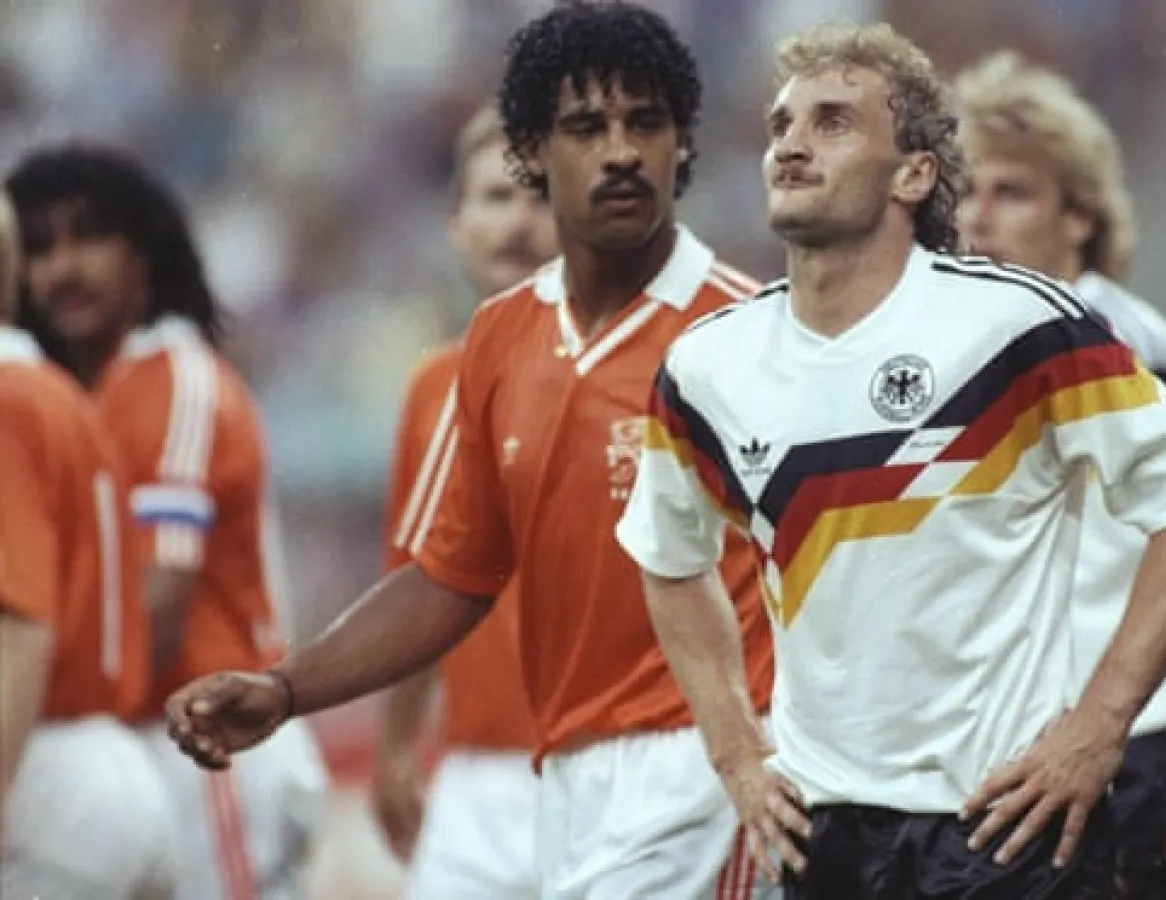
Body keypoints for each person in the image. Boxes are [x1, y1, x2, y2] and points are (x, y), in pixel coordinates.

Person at [615, 21, 1166, 899]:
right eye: (781, 125)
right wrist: (736, 754)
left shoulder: (1020, 325)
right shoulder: (706, 366)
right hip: (822, 833)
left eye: (833, 121)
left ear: (914, 173)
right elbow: (668, 557)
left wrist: (1098, 727)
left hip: (1003, 826)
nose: (792, 145)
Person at [164, 4, 773, 898]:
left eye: (646, 122)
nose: (620, 151)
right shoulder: (500, 338)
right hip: (564, 775)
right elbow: (452, 575)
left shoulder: (748, 332)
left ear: (682, 144)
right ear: (532, 153)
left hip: (712, 766)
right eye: (584, 127)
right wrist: (287, 689)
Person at [953, 50, 1166, 900]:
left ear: (1080, 217)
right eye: (965, 191)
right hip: (1031, 763)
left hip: (1148, 755)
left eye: (1013, 192)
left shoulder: (1134, 348)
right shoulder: (965, 360)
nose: (978, 218)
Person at [7, 145, 328, 900]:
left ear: (145, 252)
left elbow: (165, 584)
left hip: (207, 742)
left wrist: (66, 716)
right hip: (142, 744)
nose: (64, 267)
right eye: (41, 245)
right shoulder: (69, 396)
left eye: (89, 236)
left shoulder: (174, 377)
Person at [371, 103, 557, 898]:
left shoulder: (639, 375)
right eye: (495, 198)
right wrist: (394, 743)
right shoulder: (431, 390)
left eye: (541, 197)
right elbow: (415, 577)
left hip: (606, 762)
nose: (519, 223)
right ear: (455, 224)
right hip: (476, 775)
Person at [0, 189, 175, 897]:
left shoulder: (7, 401)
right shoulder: (56, 390)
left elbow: (20, 625)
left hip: (40, 774)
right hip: (110, 764)